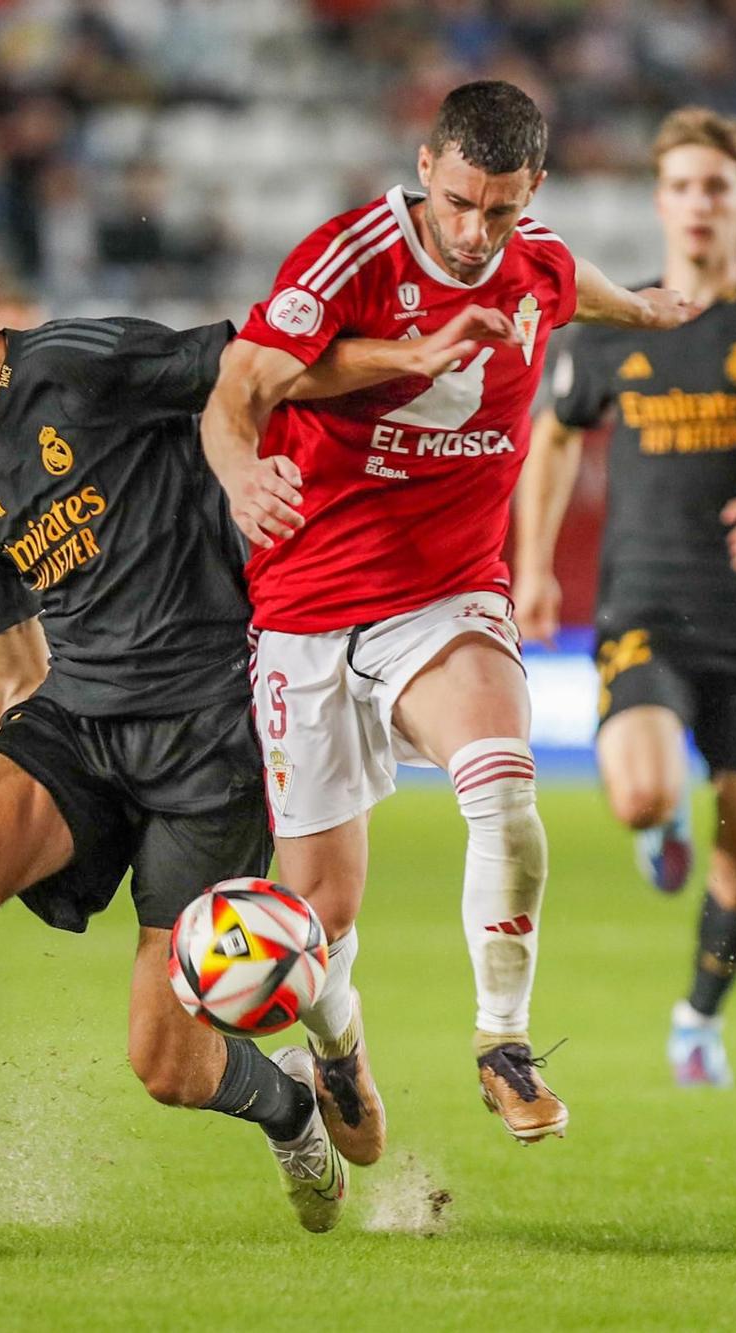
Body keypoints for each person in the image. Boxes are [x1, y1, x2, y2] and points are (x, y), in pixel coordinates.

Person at [0, 223, 488, 1260]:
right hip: (77, 721)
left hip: (208, 739)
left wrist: (409, 356)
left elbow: (259, 369)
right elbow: (13, 677)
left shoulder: (85, 363)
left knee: (168, 1064)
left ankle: (288, 1109)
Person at [200, 79, 700, 1153]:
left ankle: (502, 1043)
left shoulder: (535, 262)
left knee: (505, 791)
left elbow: (576, 285)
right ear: (424, 168)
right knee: (318, 920)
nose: (476, 234)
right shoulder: (349, 257)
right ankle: (336, 1053)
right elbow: (241, 384)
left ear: (533, 193)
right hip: (303, 607)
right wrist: (245, 475)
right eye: (461, 202)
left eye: (502, 210)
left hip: (442, 594)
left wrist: (649, 309)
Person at [515, 107, 736, 1089]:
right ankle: (658, 818)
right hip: (641, 602)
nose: (698, 202)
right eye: (680, 184)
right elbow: (549, 439)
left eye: (715, 186)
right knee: (638, 788)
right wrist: (534, 565)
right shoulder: (614, 324)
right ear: (659, 200)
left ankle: (695, 1019)